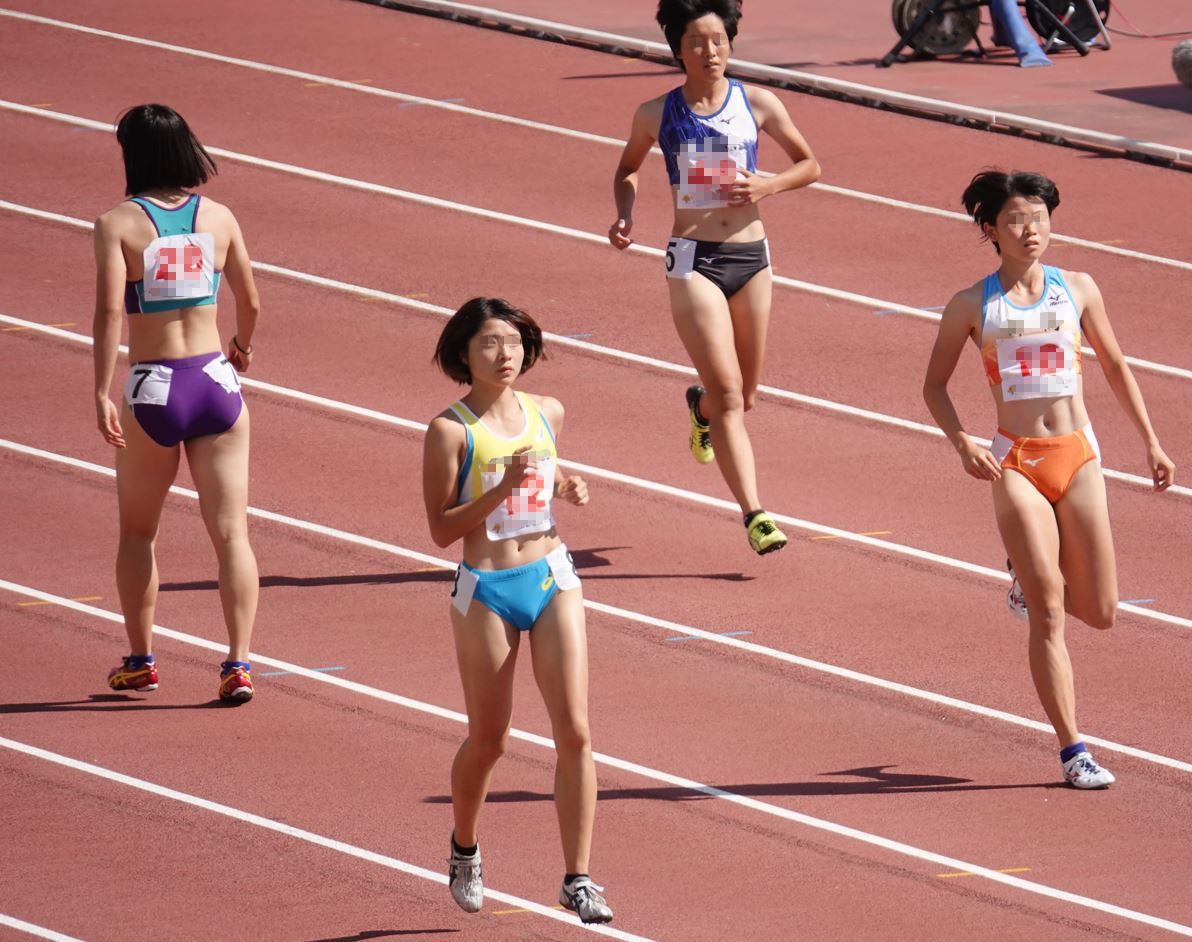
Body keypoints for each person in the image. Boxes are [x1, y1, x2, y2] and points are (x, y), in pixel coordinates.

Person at [923, 169, 1175, 788]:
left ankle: (1027, 578)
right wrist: (961, 443)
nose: (1029, 229)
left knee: (1103, 611)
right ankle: (1073, 751)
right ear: (989, 230)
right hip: (1014, 459)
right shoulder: (971, 305)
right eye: (1014, 219)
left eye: (1038, 216)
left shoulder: (1079, 289)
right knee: (1051, 610)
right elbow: (933, 386)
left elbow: (1115, 366)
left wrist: (1151, 442)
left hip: (1079, 455)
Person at [421, 298, 613, 924]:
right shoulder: (451, 431)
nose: (504, 355)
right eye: (488, 344)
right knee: (490, 738)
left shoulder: (547, 411)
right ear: (462, 354)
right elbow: (440, 530)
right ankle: (465, 846)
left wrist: (565, 485)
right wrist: (501, 488)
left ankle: (578, 877)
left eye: (513, 342)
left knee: (576, 731)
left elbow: (546, 472)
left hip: (552, 576)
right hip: (487, 588)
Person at [609, 0, 820, 555]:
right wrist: (626, 213)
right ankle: (755, 514)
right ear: (678, 48)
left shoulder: (758, 103)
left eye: (719, 41)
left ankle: (700, 408)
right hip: (693, 259)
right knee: (732, 393)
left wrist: (767, 187)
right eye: (698, 42)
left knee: (743, 396)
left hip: (752, 259)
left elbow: (810, 164)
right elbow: (627, 168)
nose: (711, 52)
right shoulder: (655, 112)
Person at [93, 103, 262, 703]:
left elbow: (112, 313)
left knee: (138, 532)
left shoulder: (118, 223)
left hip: (153, 387)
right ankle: (238, 664)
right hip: (215, 382)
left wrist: (98, 390)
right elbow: (252, 300)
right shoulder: (219, 216)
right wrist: (241, 346)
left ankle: (141, 660)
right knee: (231, 534)